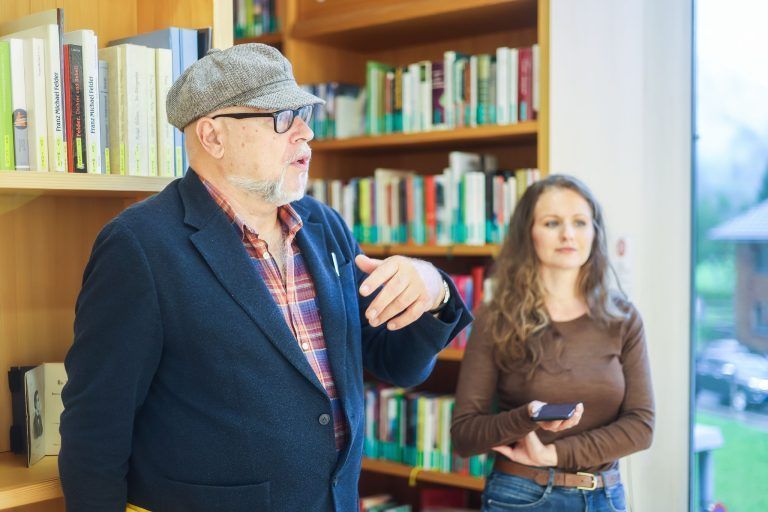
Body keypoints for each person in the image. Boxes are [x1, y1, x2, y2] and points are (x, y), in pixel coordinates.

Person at [59, 43, 472, 512]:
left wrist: (435, 290)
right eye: (282, 117)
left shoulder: (323, 225)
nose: (306, 132)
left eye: (304, 115)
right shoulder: (140, 244)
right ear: (213, 136)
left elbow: (397, 363)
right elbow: (97, 427)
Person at [451, 175, 654, 512]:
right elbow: (465, 435)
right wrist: (527, 417)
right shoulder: (496, 317)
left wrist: (553, 453)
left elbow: (641, 426)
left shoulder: (623, 318)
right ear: (528, 234)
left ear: (594, 233)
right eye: (552, 223)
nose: (568, 234)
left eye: (580, 222)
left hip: (605, 497)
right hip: (520, 496)